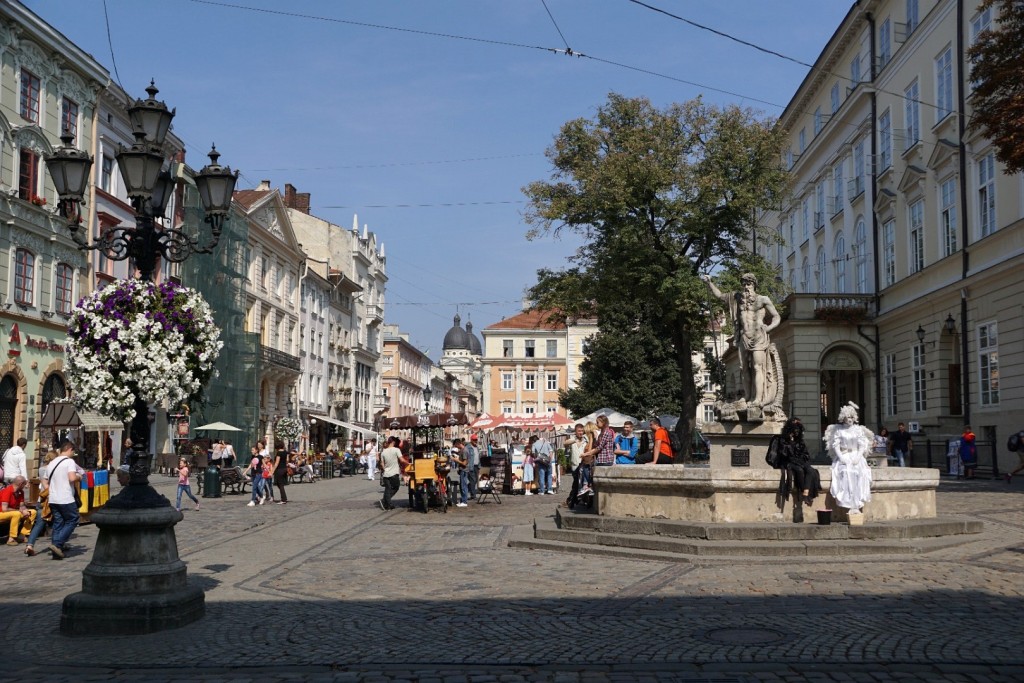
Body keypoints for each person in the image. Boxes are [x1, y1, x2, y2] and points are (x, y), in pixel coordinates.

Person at [702, 273, 781, 413]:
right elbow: (719, 295)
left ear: (754, 285)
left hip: (758, 337)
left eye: (749, 284)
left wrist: (768, 328)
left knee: (757, 367)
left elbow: (776, 316)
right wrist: (709, 283)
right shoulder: (737, 298)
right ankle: (748, 396)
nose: (746, 287)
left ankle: (757, 399)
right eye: (744, 284)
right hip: (744, 337)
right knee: (744, 369)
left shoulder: (763, 299)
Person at [824, 402, 873, 515]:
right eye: (847, 417)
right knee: (844, 472)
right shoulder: (839, 431)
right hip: (844, 456)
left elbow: (862, 446)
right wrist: (841, 457)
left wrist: (858, 457)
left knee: (859, 473)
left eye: (851, 417)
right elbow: (835, 445)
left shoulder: (858, 430)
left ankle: (856, 503)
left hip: (856, 456)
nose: (850, 419)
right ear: (843, 418)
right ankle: (848, 502)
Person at [777, 417, 820, 519]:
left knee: (811, 470)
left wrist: (803, 459)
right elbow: (783, 454)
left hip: (800, 461)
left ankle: (805, 493)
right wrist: (789, 442)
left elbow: (805, 454)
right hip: (790, 462)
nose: (796, 432)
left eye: (797, 430)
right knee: (800, 471)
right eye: (794, 429)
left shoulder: (800, 441)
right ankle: (802, 493)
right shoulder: (783, 440)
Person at [45, 440, 82, 560]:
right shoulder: (69, 462)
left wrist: (52, 488)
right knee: (73, 519)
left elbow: (45, 480)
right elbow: (72, 478)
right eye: (73, 452)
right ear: (69, 449)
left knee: (58, 522)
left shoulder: (51, 463)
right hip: (65, 497)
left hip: (53, 498)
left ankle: (56, 547)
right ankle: (57, 544)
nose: (73, 454)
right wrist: (79, 476)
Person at [24, 450, 58, 557]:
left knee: (39, 524)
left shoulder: (41, 469)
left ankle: (30, 545)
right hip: (51, 499)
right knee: (58, 522)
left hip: (41, 499)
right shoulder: (53, 469)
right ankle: (58, 544)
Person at [563, 423, 591, 508]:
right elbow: (565, 443)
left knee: (583, 483)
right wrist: (575, 440)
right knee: (576, 483)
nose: (581, 433)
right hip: (575, 465)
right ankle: (572, 500)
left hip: (584, 464)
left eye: (582, 431)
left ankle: (577, 500)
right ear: (575, 431)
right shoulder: (572, 440)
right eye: (579, 431)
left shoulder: (586, 440)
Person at [1, 475, 34, 545]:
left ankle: (22, 535)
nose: (25, 486)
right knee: (17, 514)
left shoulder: (20, 492)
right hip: (1, 513)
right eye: (24, 484)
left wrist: (25, 510)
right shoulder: (7, 491)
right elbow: (4, 509)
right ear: (20, 484)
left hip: (13, 512)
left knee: (32, 512)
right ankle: (11, 538)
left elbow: (21, 506)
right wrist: (19, 511)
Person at [378, 437, 402, 510]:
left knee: (387, 489)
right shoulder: (396, 450)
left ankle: (388, 504)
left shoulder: (383, 452)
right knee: (396, 487)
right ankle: (385, 501)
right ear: (393, 442)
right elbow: (401, 459)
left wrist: (385, 469)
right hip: (394, 473)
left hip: (386, 474)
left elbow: (382, 464)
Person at [464, 434, 480, 500]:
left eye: (476, 440)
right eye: (474, 440)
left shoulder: (477, 447)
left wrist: (479, 465)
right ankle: (473, 495)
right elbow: (466, 457)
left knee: (475, 480)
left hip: (476, 465)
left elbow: (478, 457)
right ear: (471, 440)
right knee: (473, 480)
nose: (475, 441)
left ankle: (467, 488)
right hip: (470, 466)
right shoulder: (468, 447)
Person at [272, 440, 289, 504]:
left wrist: (272, 471)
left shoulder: (279, 453)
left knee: (280, 485)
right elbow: (287, 460)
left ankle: (283, 499)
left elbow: (276, 463)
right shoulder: (285, 452)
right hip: (284, 469)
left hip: (279, 470)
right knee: (280, 484)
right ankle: (284, 498)